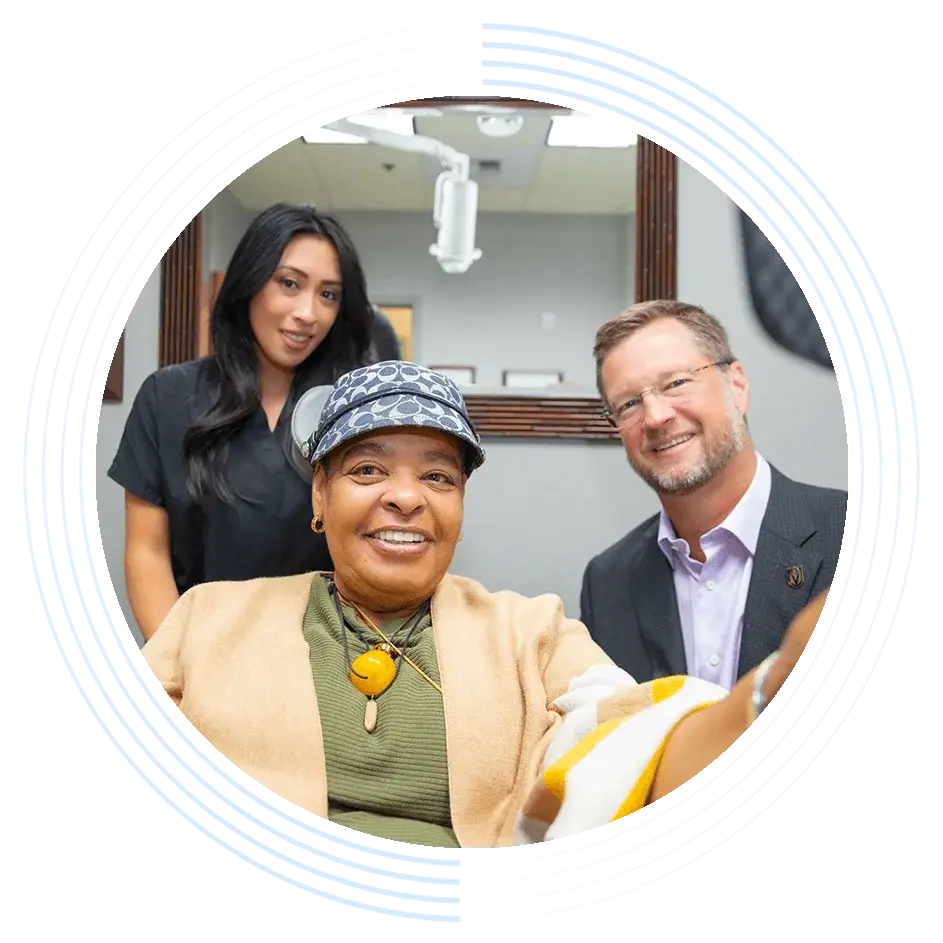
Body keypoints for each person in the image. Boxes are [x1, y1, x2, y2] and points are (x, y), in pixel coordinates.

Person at [141, 360, 830, 849]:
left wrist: (771, 688)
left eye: (437, 475)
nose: (405, 496)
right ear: (319, 496)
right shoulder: (207, 620)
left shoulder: (530, 633)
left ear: (459, 509)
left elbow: (642, 752)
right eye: (367, 469)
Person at [108, 202, 379, 641]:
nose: (308, 313)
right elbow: (147, 553)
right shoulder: (168, 396)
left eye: (328, 294)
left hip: (329, 659)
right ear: (249, 283)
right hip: (199, 652)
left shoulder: (354, 408)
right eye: (289, 284)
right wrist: (178, 666)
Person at [580, 300, 847, 688]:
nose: (655, 417)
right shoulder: (608, 584)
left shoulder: (864, 536)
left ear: (736, 385)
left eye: (676, 383)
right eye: (630, 404)